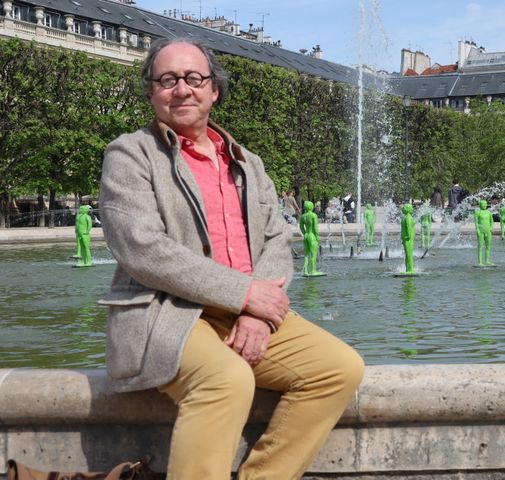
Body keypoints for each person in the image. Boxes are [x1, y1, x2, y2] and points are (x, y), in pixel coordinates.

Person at [98, 38, 363, 480]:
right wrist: (244, 294)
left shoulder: (249, 163)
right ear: (151, 93)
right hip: (167, 312)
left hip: (246, 310)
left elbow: (276, 240)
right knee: (226, 380)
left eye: (194, 78)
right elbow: (141, 248)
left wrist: (258, 314)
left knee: (339, 369)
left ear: (213, 90)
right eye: (167, 80)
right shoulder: (129, 153)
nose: (181, 88)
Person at [300, 200, 323, 276]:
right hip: (312, 235)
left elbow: (301, 227)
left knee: (306, 255)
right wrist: (317, 237)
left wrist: (304, 233)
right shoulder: (313, 215)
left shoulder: (303, 216)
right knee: (313, 254)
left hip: (306, 235)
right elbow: (315, 228)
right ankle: (313, 271)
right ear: (312, 207)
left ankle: (305, 271)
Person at [473, 199, 494, 266]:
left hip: (488, 232)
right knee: (480, 247)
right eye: (483, 204)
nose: (484, 205)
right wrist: (477, 230)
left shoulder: (488, 212)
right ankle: (480, 262)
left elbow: (492, 221)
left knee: (488, 247)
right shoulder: (477, 212)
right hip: (481, 232)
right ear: (480, 205)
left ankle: (487, 261)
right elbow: (476, 222)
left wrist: (491, 228)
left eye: (485, 204)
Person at [400, 203, 416, 274]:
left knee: (409, 254)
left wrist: (408, 236)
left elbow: (409, 227)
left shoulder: (408, 218)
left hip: (408, 239)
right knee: (407, 254)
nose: (402, 209)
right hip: (406, 239)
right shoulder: (407, 217)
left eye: (404, 208)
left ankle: (410, 270)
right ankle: (408, 269)